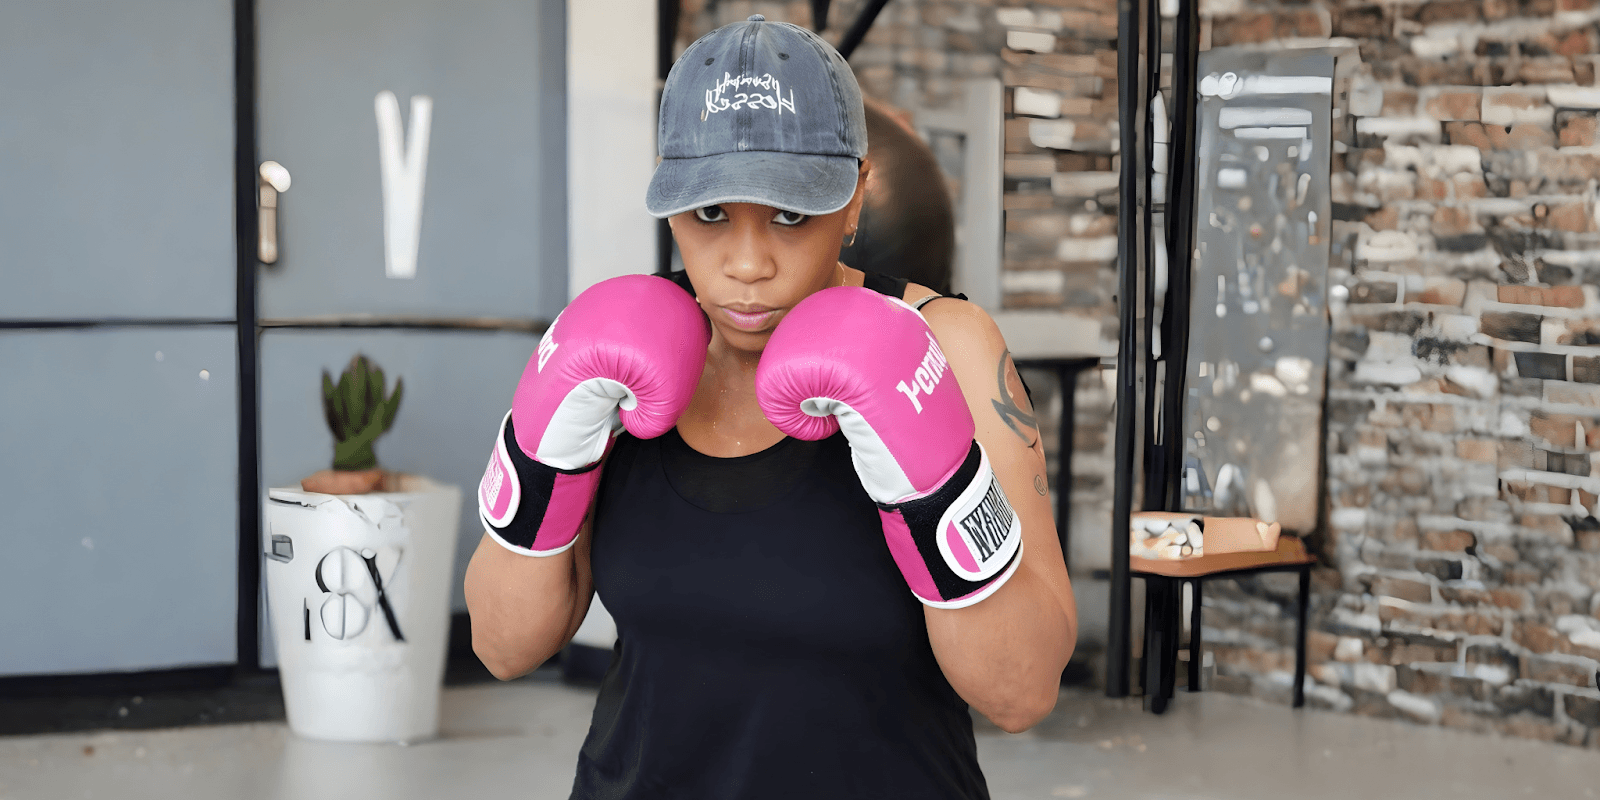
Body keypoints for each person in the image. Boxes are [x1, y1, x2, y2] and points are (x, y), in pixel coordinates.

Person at [464, 16, 1077, 799]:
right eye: (710, 214)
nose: (747, 265)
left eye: (792, 214)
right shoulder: (614, 358)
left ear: (856, 195)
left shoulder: (945, 347)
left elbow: (1021, 691)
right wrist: (543, 451)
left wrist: (932, 482)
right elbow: (504, 646)